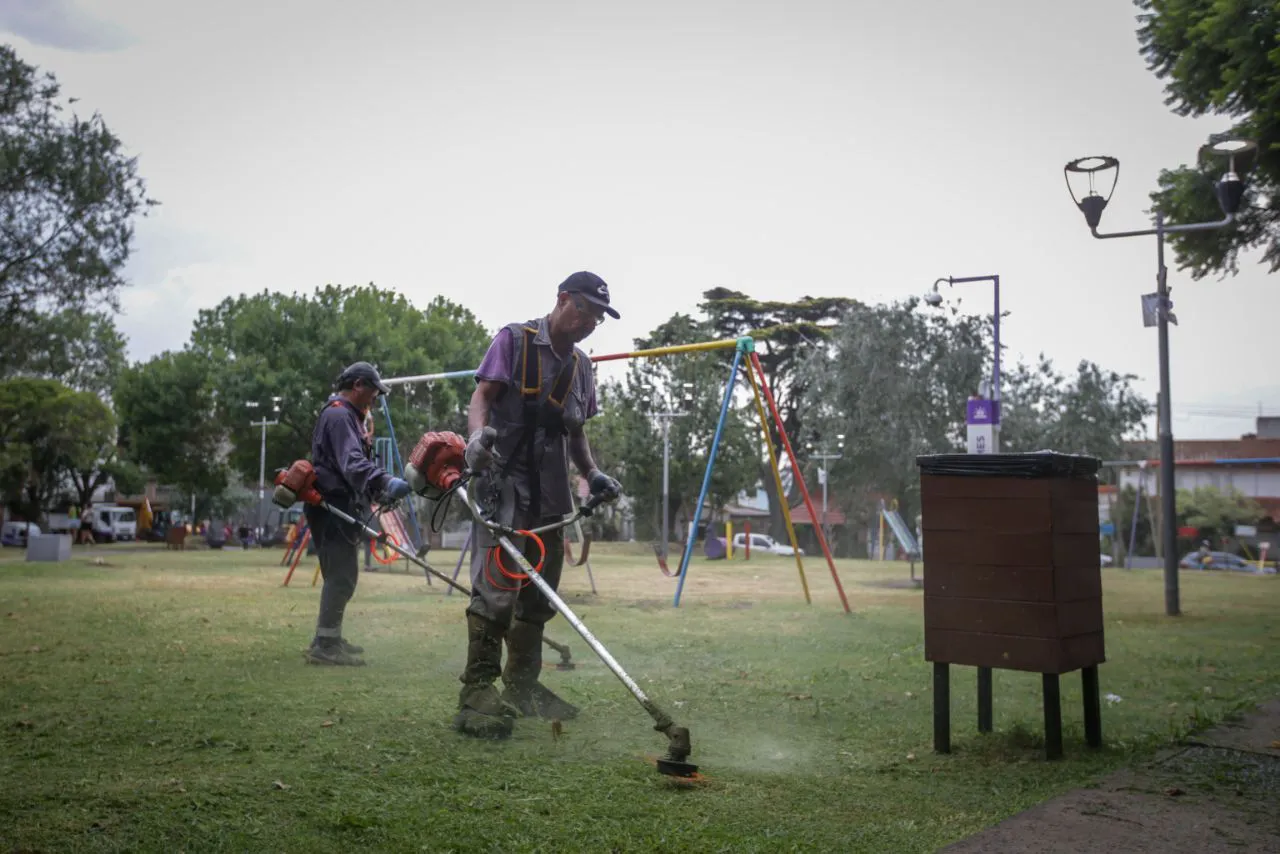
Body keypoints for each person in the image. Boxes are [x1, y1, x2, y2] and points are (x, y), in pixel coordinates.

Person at [455, 271, 623, 739]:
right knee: (496, 586)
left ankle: (523, 686)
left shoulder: (583, 368)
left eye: (599, 316)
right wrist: (475, 442)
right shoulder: (514, 340)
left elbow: (576, 433)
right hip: (502, 487)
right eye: (585, 308)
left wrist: (592, 474)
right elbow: (481, 397)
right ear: (563, 299)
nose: (591, 321)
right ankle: (477, 690)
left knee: (540, 592)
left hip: (552, 496)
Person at [304, 360, 412, 665]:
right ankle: (325, 646)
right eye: (374, 391)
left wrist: (375, 492)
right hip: (332, 505)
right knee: (341, 576)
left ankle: (329, 637)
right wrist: (385, 480)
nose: (376, 397)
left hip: (337, 503)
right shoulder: (340, 415)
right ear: (358, 386)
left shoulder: (345, 415)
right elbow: (351, 463)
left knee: (341, 575)